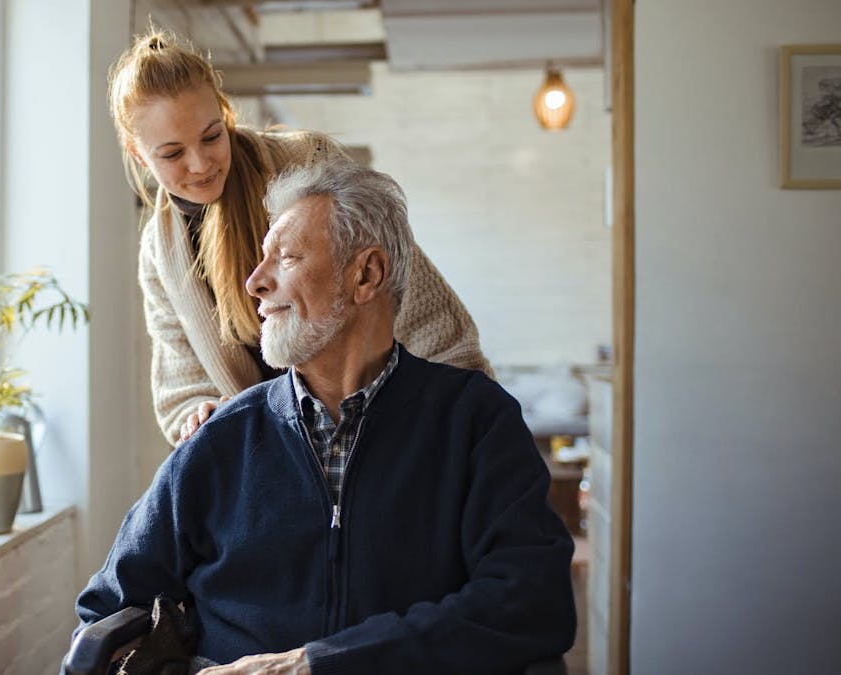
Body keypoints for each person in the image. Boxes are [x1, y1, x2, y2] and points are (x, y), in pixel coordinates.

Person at [74, 160, 576, 674]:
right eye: (261, 259)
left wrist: (317, 664)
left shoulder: (475, 422)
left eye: (286, 257)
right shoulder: (221, 440)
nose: (254, 282)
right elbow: (105, 612)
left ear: (366, 275)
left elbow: (533, 601)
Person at [108, 30, 493, 446]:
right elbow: (181, 389)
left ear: (225, 113)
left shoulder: (307, 164)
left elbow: (412, 299)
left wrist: (465, 416)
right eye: (171, 153)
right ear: (136, 152)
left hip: (385, 430)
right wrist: (201, 413)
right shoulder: (159, 252)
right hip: (278, 460)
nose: (200, 164)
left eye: (211, 136)